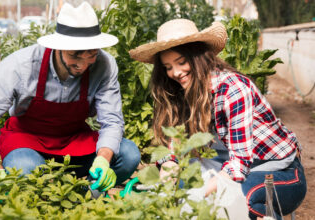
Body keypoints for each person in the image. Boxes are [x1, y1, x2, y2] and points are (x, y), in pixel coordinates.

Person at [129, 19, 306, 219]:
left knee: (235, 200)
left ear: (198, 57)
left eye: (181, 62)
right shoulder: (182, 91)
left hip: (280, 171)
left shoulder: (232, 89)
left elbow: (240, 163)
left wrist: (200, 195)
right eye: (168, 67)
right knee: (178, 182)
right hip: (228, 162)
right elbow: (174, 146)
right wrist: (169, 165)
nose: (176, 73)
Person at [0, 2, 140, 192]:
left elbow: (112, 121)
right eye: (75, 56)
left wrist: (103, 160)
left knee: (128, 155)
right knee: (25, 169)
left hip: (74, 141)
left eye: (91, 55)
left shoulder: (105, 64)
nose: (83, 65)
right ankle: (47, 193)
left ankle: (84, 194)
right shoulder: (20, 66)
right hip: (26, 141)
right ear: (58, 47)